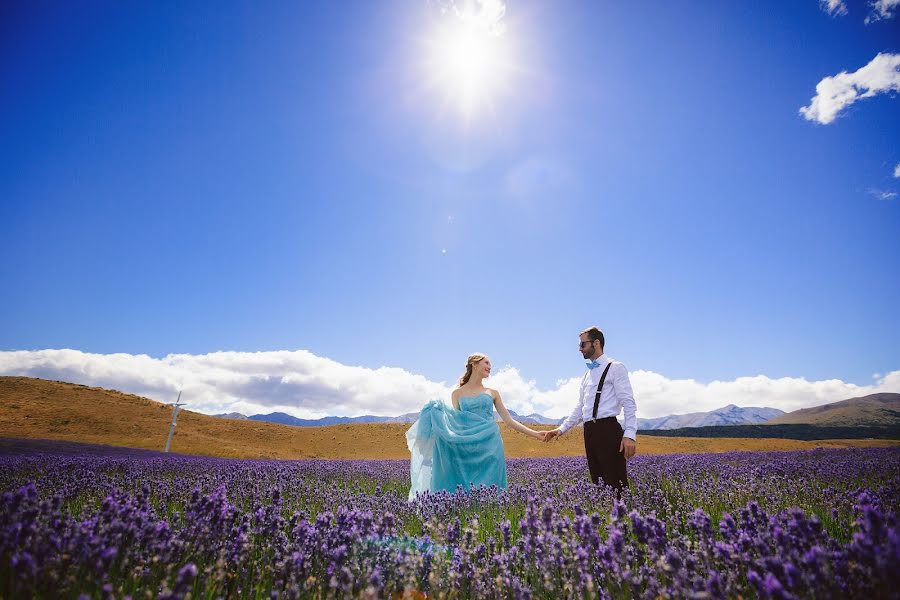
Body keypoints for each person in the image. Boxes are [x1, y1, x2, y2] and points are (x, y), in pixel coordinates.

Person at [406, 353, 544, 500]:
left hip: (490, 446)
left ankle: (490, 518)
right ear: (474, 364)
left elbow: (509, 420)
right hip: (466, 447)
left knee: (492, 488)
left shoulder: (492, 393)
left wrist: (536, 434)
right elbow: (457, 421)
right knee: (462, 487)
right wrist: (437, 413)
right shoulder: (457, 393)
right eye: (486, 363)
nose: (490, 367)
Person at [542, 327, 637, 493]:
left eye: (583, 344)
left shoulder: (615, 367)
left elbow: (628, 402)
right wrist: (560, 429)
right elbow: (580, 407)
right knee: (598, 482)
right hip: (589, 431)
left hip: (607, 429)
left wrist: (629, 434)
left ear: (596, 343)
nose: (580, 349)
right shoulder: (586, 375)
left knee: (616, 482)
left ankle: (623, 518)